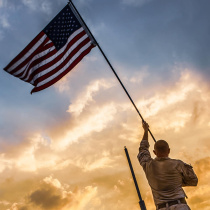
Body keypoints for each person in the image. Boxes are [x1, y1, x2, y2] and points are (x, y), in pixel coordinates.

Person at [137, 121, 198, 210]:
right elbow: (193, 181)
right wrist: (177, 181)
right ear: (169, 150)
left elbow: (143, 149)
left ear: (154, 152)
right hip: (180, 207)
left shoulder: (148, 165)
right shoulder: (178, 164)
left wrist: (145, 130)